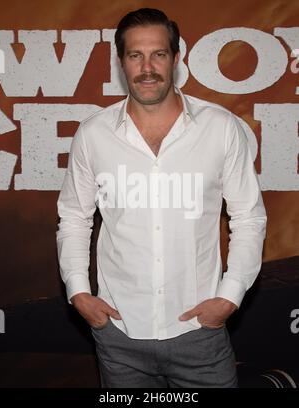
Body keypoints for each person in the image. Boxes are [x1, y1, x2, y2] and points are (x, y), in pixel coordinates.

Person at [56, 8, 267, 388]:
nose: (147, 67)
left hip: (200, 332)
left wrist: (229, 298)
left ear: (175, 58)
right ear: (121, 62)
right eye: (136, 55)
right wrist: (78, 292)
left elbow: (248, 218)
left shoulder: (220, 128)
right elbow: (74, 217)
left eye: (158, 54)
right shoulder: (93, 134)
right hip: (117, 332)